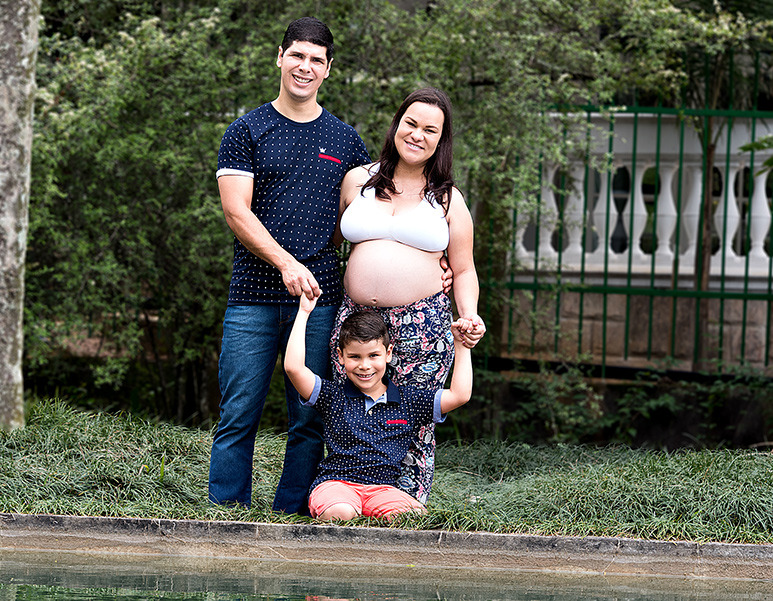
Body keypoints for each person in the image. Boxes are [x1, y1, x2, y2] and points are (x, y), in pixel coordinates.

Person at [208, 17, 372, 513]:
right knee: (238, 412)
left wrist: (433, 263)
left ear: (328, 70)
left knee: (309, 415)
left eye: (316, 60)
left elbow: (373, 215)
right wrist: (285, 262)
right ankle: (225, 515)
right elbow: (237, 211)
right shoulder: (246, 131)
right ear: (280, 57)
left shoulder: (346, 142)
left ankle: (292, 515)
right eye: (297, 55)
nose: (305, 67)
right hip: (252, 300)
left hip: (319, 301)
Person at [331, 87, 485, 504]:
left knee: (411, 417)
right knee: (351, 411)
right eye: (411, 123)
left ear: (441, 139)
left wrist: (468, 314)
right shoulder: (357, 180)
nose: (417, 135)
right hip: (355, 325)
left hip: (422, 326)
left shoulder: (449, 199)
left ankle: (403, 507)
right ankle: (343, 498)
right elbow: (330, 246)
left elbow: (465, 267)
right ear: (397, 125)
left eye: (429, 129)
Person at [285, 293, 473, 521]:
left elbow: (459, 395)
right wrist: (304, 313)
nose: (365, 366)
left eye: (373, 355)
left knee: (413, 517)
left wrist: (462, 345)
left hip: (383, 490)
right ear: (341, 357)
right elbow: (294, 368)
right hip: (337, 485)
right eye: (355, 357)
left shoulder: (409, 400)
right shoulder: (332, 395)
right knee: (341, 512)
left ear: (388, 353)